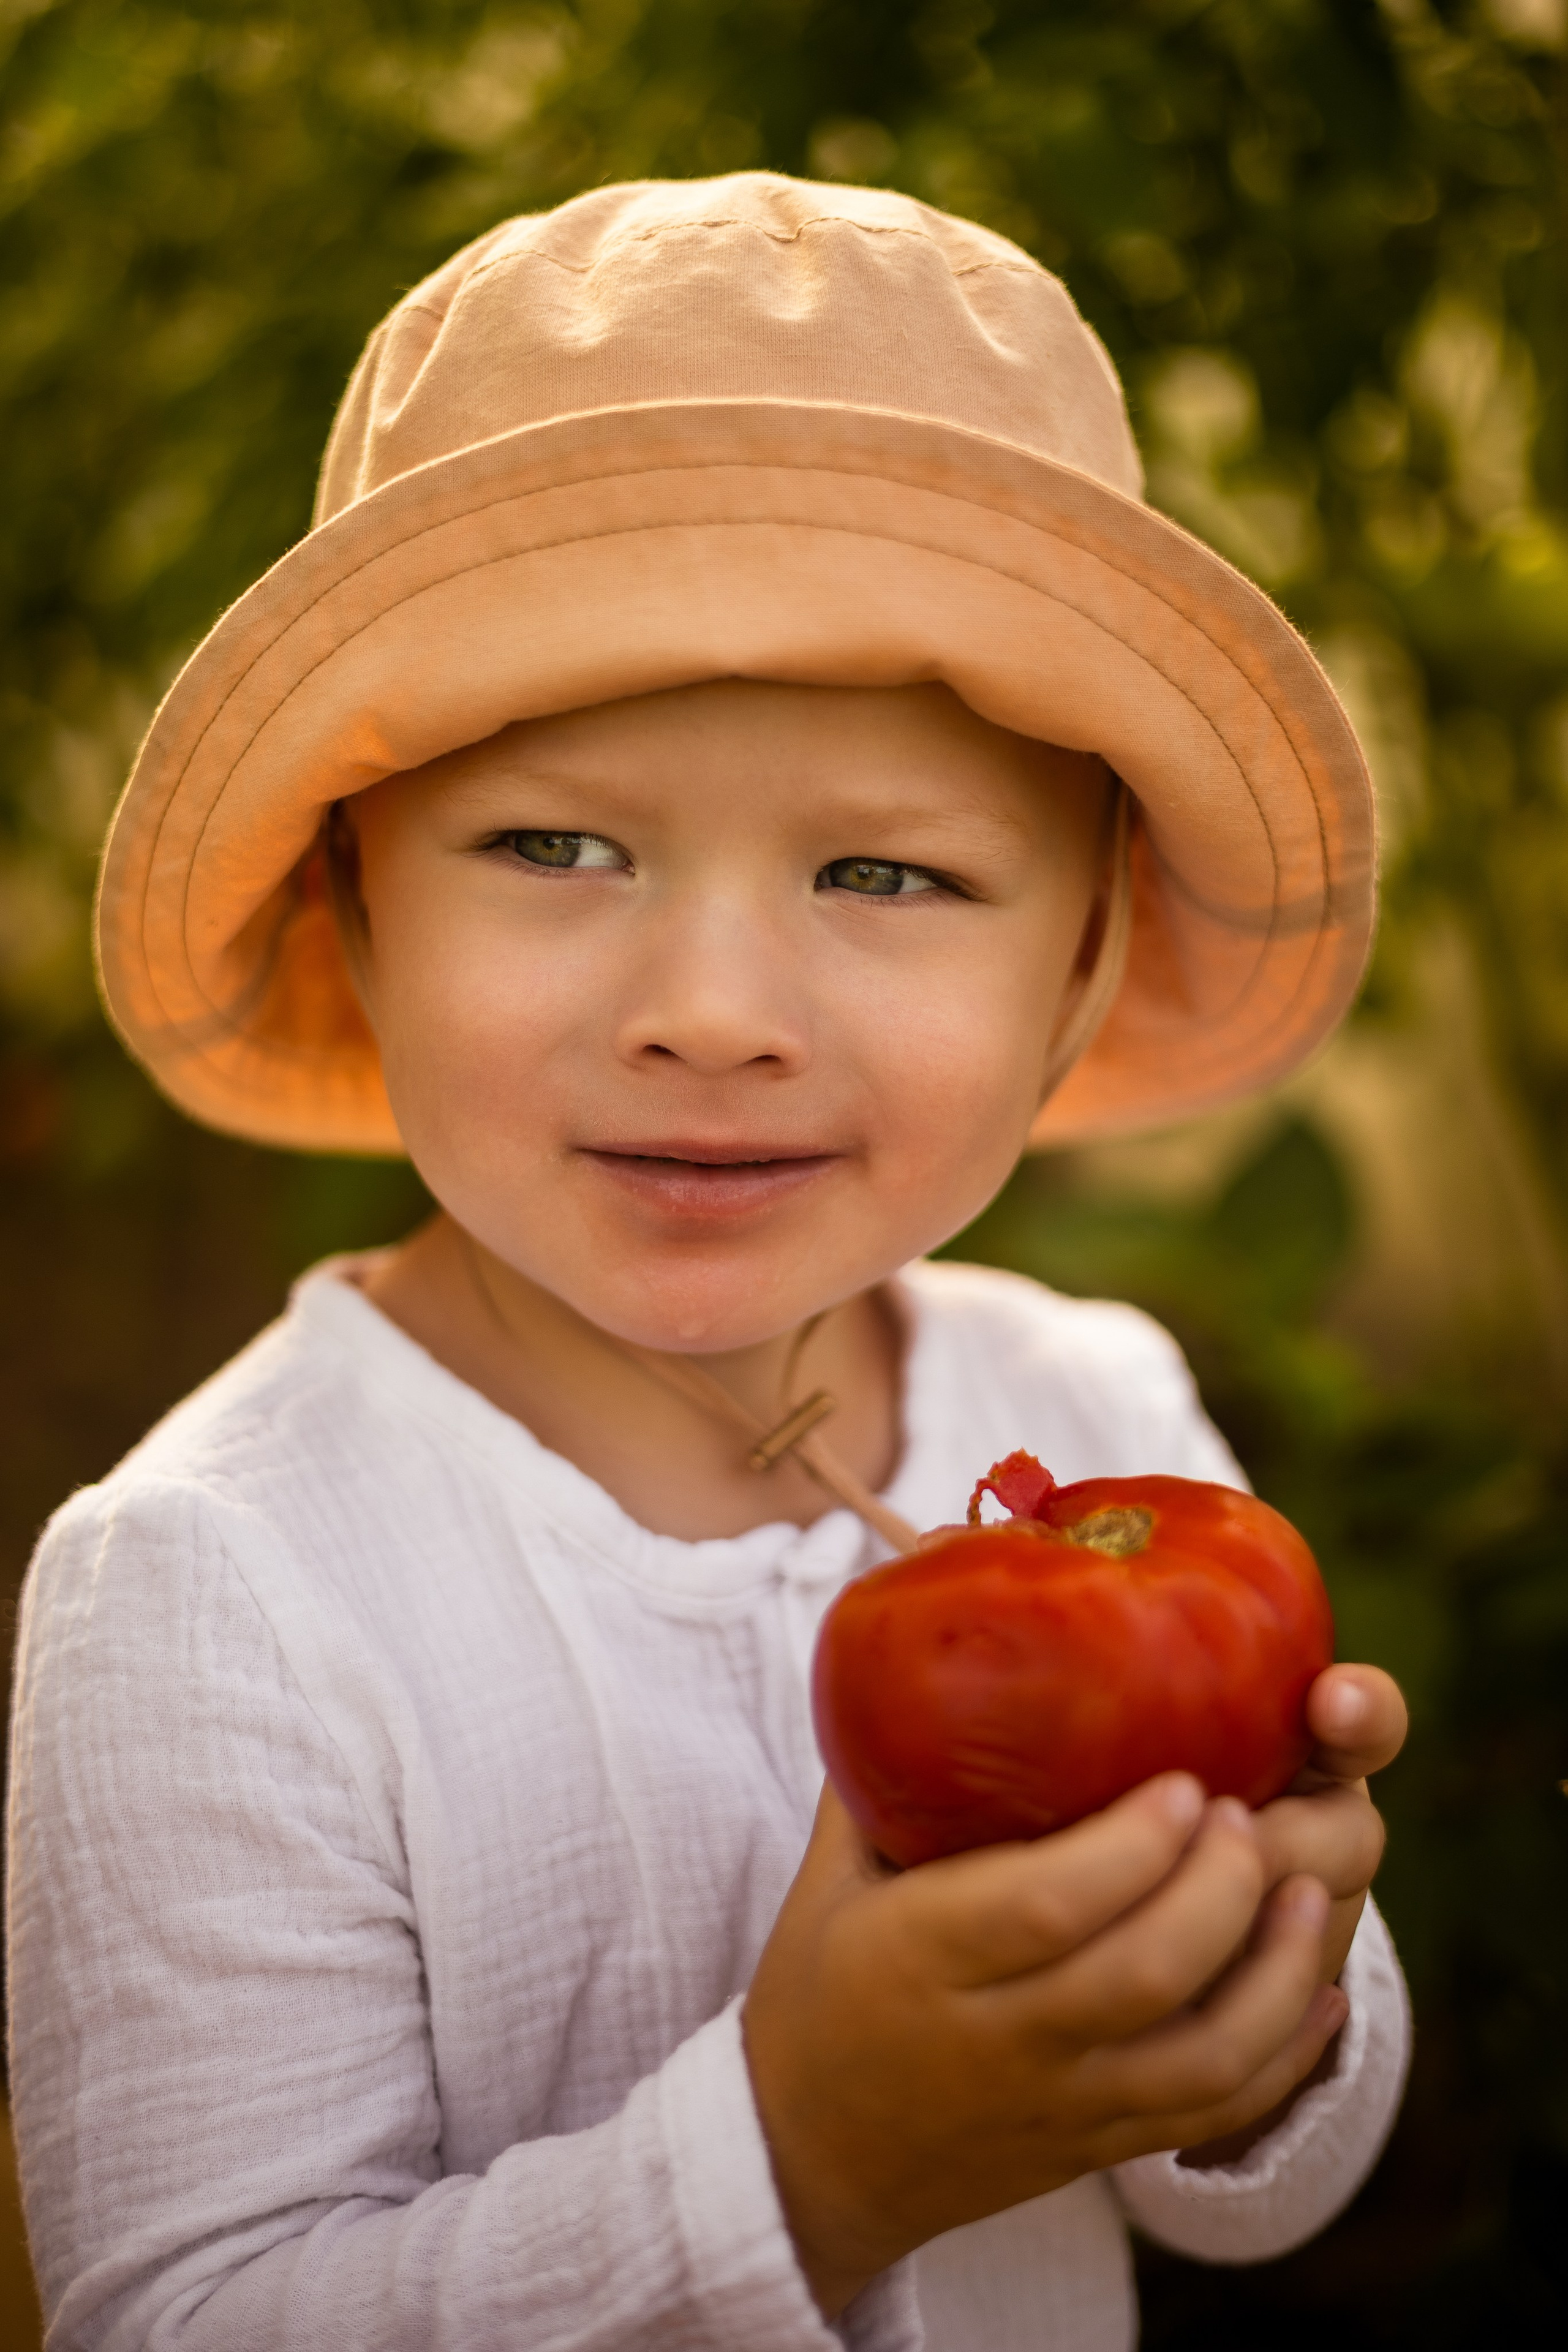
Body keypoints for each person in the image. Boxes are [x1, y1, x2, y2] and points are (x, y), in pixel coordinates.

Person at [7, 174, 1410, 2352]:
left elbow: (1243, 2201)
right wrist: (812, 2168)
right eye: (557, 845)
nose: (717, 1008)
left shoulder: (1105, 1423)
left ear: (1085, 968)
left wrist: (1271, 1999)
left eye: (887, 868)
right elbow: (183, 2317)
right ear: (352, 913)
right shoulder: (220, 1582)